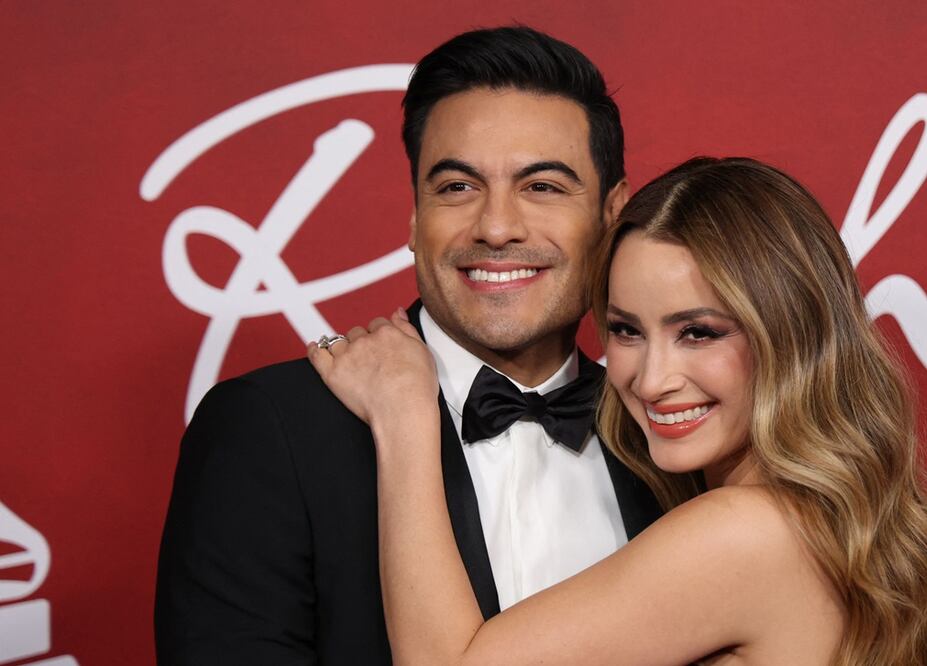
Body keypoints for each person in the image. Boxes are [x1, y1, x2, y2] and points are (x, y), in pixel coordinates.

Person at [310, 157, 927, 665]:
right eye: (628, 331)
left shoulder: (746, 529)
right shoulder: (809, 520)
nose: (651, 379)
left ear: (792, 332)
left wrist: (404, 414)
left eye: (700, 332)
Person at [154, 27, 661, 665]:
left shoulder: (665, 434)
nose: (497, 227)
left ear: (613, 216)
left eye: (542, 187)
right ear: (416, 219)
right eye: (457, 187)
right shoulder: (270, 429)